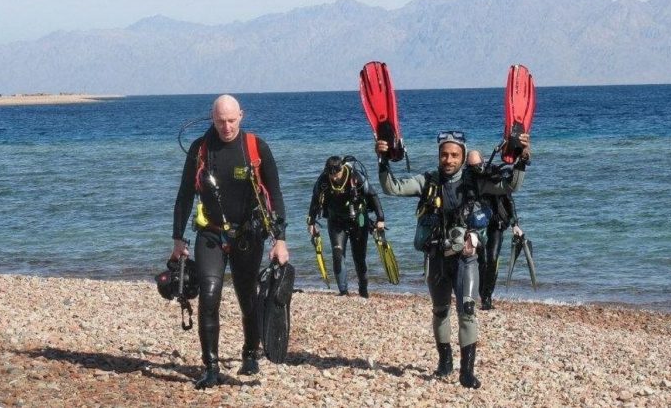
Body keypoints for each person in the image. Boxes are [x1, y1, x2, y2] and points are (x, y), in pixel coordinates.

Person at [376, 131, 530, 389]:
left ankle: (466, 372)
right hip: (436, 258)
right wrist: (382, 160)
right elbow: (392, 187)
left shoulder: (476, 181)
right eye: (444, 154)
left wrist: (522, 160)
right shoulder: (427, 181)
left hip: (466, 259)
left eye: (454, 155)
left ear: (462, 156)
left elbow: (510, 186)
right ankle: (445, 361)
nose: (449, 160)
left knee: (467, 311)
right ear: (438, 156)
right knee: (440, 311)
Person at [171, 94, 289, 389]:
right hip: (210, 233)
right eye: (221, 121)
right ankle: (211, 367)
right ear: (212, 118)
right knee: (209, 297)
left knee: (248, 296)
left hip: (248, 235)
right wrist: (177, 240)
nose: (226, 127)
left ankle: (250, 352)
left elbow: (274, 195)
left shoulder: (256, 147)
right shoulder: (200, 150)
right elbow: (185, 195)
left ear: (242, 116)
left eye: (231, 120)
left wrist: (280, 240)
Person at [307, 156, 385, 297]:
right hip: (336, 222)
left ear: (342, 169)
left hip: (358, 221)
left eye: (336, 174)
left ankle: (363, 291)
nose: (334, 178)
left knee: (359, 258)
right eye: (331, 175)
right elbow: (315, 199)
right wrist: (311, 222)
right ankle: (343, 293)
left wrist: (380, 218)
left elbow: (372, 194)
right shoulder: (323, 181)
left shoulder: (355, 176)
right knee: (337, 255)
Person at [466, 150, 524, 310]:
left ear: (483, 162)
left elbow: (509, 198)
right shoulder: (468, 179)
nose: (476, 169)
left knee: (492, 258)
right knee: (481, 260)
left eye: (478, 165)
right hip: (478, 225)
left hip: (497, 223)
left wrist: (515, 224)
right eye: (471, 167)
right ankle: (482, 293)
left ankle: (487, 297)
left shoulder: (494, 175)